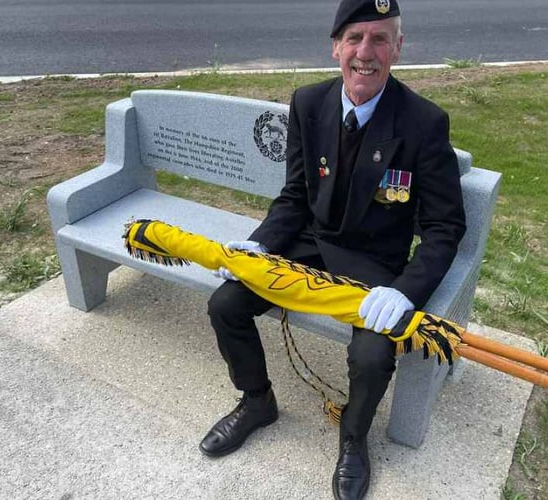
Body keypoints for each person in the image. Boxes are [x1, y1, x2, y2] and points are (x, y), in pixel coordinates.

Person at [200, 0, 466, 498]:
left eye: (380, 39)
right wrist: (259, 247)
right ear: (335, 48)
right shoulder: (308, 102)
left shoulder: (423, 123)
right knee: (226, 304)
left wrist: (406, 292)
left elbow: (444, 227)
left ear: (398, 48)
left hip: (376, 266)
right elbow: (296, 195)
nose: (366, 52)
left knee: (370, 355)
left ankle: (353, 440)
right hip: (309, 245)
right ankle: (256, 401)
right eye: (354, 38)